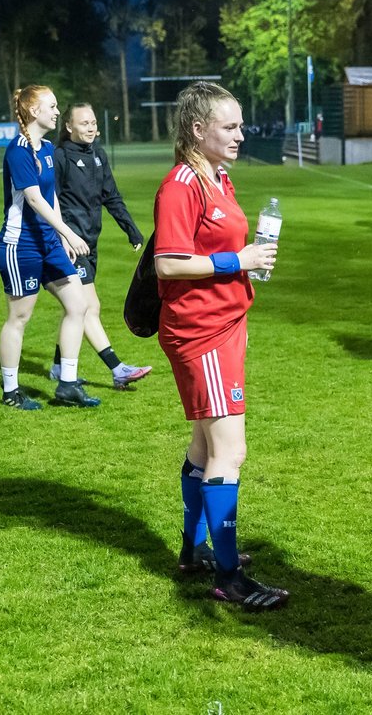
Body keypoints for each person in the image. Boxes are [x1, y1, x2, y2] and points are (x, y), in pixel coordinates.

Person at [153, 81, 287, 610]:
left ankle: (195, 550)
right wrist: (240, 262)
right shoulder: (183, 183)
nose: (240, 134)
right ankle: (228, 577)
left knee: (205, 448)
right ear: (197, 129)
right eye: (229, 126)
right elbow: (168, 262)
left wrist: (244, 267)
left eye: (239, 125)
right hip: (201, 331)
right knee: (230, 451)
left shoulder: (218, 178)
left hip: (225, 323)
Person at [0, 85, 100, 410]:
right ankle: (11, 391)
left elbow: (50, 195)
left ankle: (67, 383)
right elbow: (34, 199)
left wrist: (62, 238)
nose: (57, 111)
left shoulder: (47, 149)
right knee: (20, 317)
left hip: (49, 243)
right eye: (52, 107)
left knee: (78, 304)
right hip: (20, 246)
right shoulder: (19, 151)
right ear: (34, 112)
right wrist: (69, 231)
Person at [48, 103, 152, 390]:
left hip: (90, 244)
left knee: (75, 309)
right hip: (71, 245)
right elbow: (50, 204)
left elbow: (112, 197)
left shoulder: (98, 156)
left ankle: (58, 366)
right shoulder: (59, 158)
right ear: (68, 127)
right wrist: (64, 237)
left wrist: (131, 230)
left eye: (94, 122)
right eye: (84, 123)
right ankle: (117, 368)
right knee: (87, 306)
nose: (92, 127)